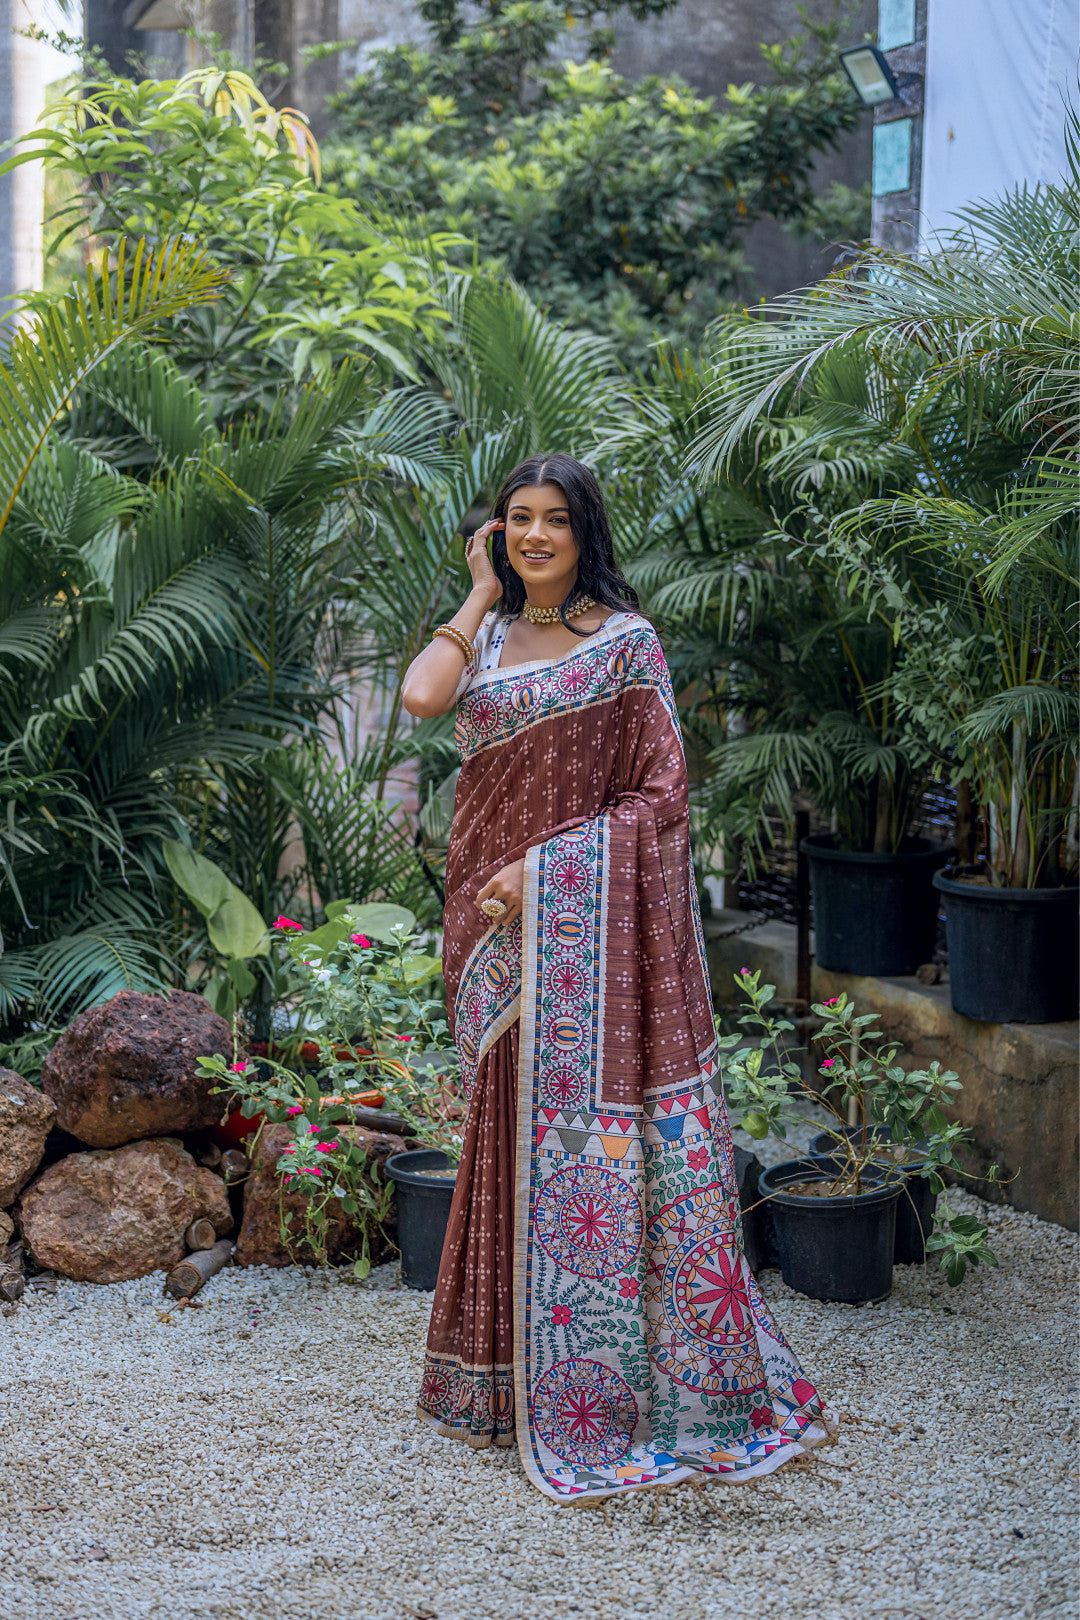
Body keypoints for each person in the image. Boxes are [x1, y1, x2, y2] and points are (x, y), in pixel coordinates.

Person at [400, 453, 829, 1504]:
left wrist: (543, 871)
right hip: (487, 926)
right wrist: (478, 591)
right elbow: (419, 699)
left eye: (555, 521)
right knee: (499, 1118)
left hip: (574, 929)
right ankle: (494, 1379)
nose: (536, 536)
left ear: (587, 534)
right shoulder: (490, 632)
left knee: (578, 1142)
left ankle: (601, 1386)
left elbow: (661, 799)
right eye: (518, 520)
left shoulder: (628, 649)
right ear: (496, 532)